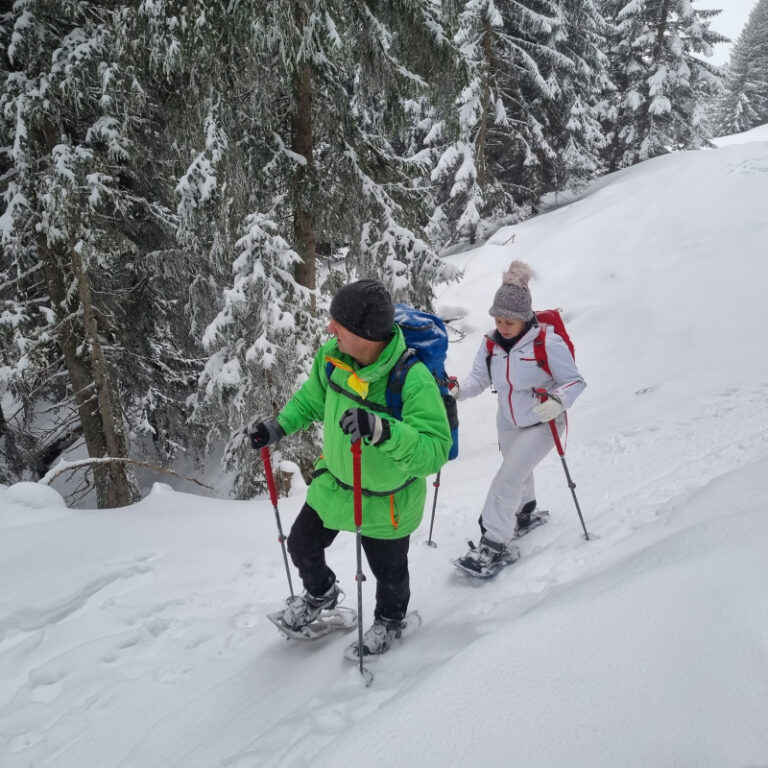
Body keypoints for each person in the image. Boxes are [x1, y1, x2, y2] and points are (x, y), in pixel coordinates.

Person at [249, 279, 451, 655]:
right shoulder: (333, 358)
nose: (329, 329)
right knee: (301, 544)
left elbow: (434, 451)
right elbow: (311, 398)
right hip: (337, 485)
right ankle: (321, 594)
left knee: (389, 573)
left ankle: (390, 621)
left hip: (387, 500)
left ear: (365, 333)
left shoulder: (412, 380)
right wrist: (278, 427)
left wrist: (383, 430)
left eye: (338, 324)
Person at [453, 260, 586, 576]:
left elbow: (576, 381)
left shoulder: (546, 343)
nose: (502, 326)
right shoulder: (491, 344)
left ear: (525, 318)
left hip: (545, 421)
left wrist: (558, 402)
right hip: (509, 421)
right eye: (498, 319)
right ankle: (525, 513)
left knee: (508, 477)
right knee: (518, 471)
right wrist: (458, 390)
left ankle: (492, 544)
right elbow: (478, 380)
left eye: (509, 321)